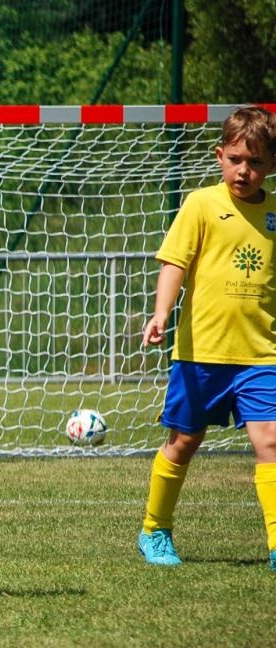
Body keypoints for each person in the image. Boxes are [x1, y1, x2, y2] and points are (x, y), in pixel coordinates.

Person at [137, 105, 276, 571]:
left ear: (272, 164)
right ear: (219, 157)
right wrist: (161, 313)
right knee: (184, 440)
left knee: (271, 440)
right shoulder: (200, 204)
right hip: (202, 352)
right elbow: (174, 263)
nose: (244, 170)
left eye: (255, 162)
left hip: (262, 353)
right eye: (235, 159)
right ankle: (155, 529)